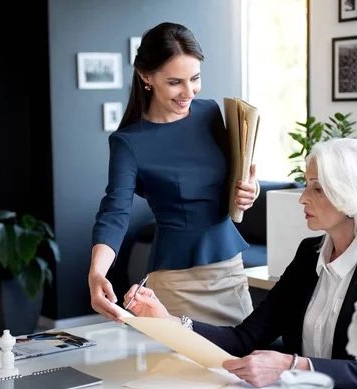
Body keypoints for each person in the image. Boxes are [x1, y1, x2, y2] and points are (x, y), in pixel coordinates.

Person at [122, 138, 357, 389]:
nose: (303, 197)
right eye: (306, 186)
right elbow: (245, 339)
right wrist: (166, 320)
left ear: (350, 195)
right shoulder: (309, 255)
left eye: (317, 189)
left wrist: (293, 366)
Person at [89, 22, 260, 326]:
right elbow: (115, 212)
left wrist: (250, 189)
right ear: (146, 77)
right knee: (185, 371)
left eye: (195, 79)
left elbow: (231, 178)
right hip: (177, 281)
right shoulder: (128, 142)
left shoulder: (210, 113)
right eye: (175, 82)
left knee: (242, 364)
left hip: (230, 270)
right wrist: (97, 272)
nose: (188, 92)